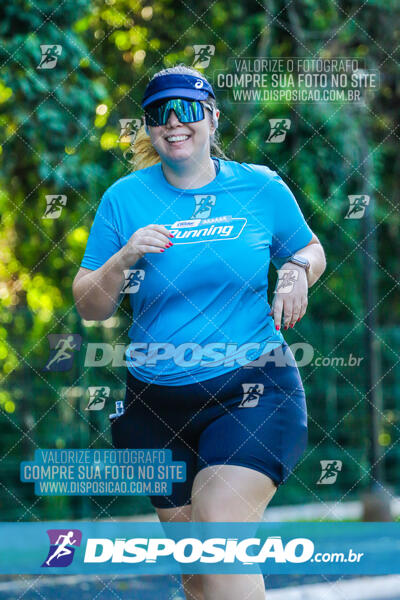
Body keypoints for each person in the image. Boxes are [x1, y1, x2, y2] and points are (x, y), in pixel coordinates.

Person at [72, 64, 327, 600]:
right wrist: (125, 255)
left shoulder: (260, 188)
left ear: (211, 117)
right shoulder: (124, 199)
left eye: (186, 109)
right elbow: (91, 306)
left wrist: (296, 270)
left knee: (217, 528)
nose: (173, 122)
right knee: (197, 576)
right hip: (153, 406)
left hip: (253, 389)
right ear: (148, 127)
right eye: (158, 114)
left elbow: (310, 248)